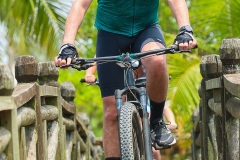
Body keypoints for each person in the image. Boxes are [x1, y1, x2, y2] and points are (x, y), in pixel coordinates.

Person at [54, 0, 197, 159]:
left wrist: (185, 29)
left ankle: (156, 122)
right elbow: (80, 4)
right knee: (111, 111)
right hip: (110, 35)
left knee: (157, 61)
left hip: (146, 29)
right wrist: (67, 45)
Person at [84, 65, 178, 160]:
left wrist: (172, 122)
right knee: (112, 114)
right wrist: (89, 73)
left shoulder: (150, 95)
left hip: (144, 96)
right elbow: (99, 57)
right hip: (122, 88)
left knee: (155, 152)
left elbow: (165, 108)